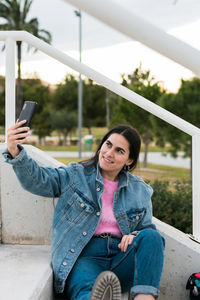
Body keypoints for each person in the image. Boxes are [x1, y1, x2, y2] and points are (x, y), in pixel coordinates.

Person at [3, 121, 165, 300]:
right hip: (86, 256)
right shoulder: (75, 175)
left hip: (122, 256)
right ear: (101, 145)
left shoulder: (140, 190)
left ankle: (144, 298)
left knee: (153, 237)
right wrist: (15, 151)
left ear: (129, 160)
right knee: (87, 291)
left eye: (119, 151)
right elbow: (39, 181)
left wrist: (134, 235)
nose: (109, 153)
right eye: (108, 144)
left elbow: (147, 230)